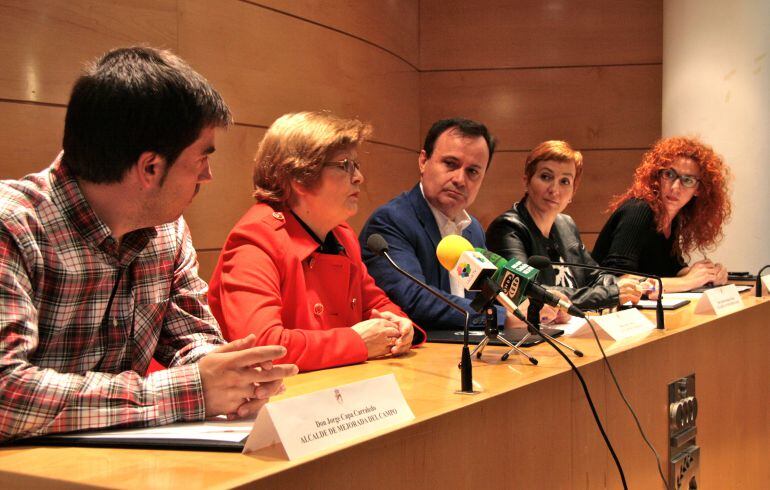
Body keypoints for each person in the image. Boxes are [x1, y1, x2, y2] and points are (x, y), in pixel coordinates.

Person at [0, 47, 297, 442]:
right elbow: (6, 394)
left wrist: (236, 377)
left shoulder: (167, 232)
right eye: (201, 159)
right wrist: (190, 392)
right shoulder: (13, 225)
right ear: (150, 167)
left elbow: (192, 341)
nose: (207, 176)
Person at [207, 112, 421, 373]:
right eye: (345, 166)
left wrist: (399, 325)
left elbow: (375, 304)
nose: (358, 178)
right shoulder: (256, 239)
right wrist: (356, 342)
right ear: (300, 177)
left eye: (357, 165)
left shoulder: (341, 235)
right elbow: (261, 347)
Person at [360, 118, 512, 331]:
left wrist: (527, 307)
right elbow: (415, 300)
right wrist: (498, 317)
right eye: (450, 164)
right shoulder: (390, 221)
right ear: (423, 161)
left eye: (473, 172)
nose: (460, 179)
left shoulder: (472, 229)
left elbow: (488, 294)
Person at [486, 141, 645, 324]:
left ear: (572, 193)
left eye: (565, 181)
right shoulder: (507, 229)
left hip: (572, 329)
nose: (554, 190)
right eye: (546, 177)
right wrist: (612, 293)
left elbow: (595, 276)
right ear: (526, 181)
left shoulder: (565, 224)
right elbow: (531, 292)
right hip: (534, 336)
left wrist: (626, 285)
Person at [592, 136, 732, 294]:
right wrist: (688, 281)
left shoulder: (674, 218)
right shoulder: (639, 210)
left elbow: (672, 270)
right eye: (669, 175)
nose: (675, 187)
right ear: (657, 176)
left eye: (688, 180)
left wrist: (708, 274)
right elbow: (617, 280)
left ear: (699, 190)